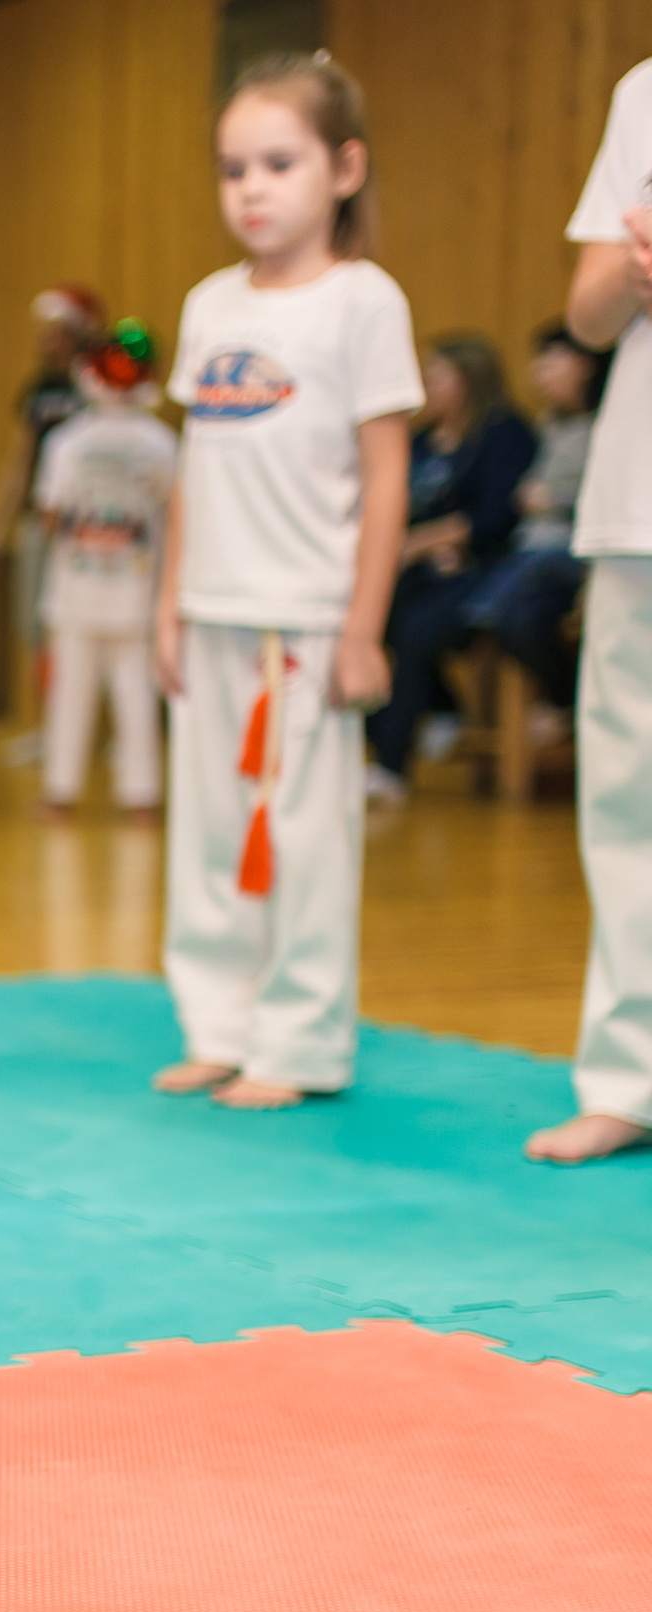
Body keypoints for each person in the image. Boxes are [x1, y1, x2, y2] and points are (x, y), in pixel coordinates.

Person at [154, 51, 421, 1112]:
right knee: (212, 828)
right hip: (215, 605)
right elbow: (191, 469)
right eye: (232, 168)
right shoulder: (208, 304)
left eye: (277, 162)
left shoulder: (363, 302)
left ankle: (301, 1036)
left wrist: (363, 624)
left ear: (343, 167)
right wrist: (169, 603)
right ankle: (217, 1022)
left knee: (302, 834)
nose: (251, 188)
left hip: (305, 613)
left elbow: (386, 471)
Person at [526, 57, 652, 1165]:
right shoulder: (639, 91)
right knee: (626, 799)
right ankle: (628, 1074)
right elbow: (586, 314)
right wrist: (634, 266)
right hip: (635, 496)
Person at [362, 333, 536, 800]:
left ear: (468, 381)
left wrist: (430, 542)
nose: (426, 387)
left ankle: (391, 765)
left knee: (417, 631)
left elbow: (499, 512)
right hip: (420, 567)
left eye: (437, 376)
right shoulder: (420, 441)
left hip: (484, 568)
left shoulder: (503, 432)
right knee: (368, 617)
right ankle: (443, 707)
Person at [34, 320, 178, 818]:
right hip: (138, 590)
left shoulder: (67, 442)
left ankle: (60, 793)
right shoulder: (163, 443)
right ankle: (142, 798)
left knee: (70, 697)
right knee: (136, 697)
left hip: (75, 589)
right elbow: (174, 512)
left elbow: (50, 514)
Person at [0, 283, 106, 713]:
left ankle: (99, 725)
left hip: (91, 524)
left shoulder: (100, 390)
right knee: (39, 626)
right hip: (40, 519)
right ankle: (48, 723)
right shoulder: (38, 392)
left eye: (57, 331)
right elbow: (18, 461)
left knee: (96, 623)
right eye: (44, 332)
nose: (48, 341)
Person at [482, 324, 610, 723]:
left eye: (552, 364)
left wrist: (552, 501)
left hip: (578, 553)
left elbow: (609, 500)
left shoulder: (606, 424)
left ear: (585, 366)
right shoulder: (548, 425)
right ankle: (567, 702)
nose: (540, 374)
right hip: (533, 550)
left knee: (533, 564)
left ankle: (479, 604)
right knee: (518, 621)